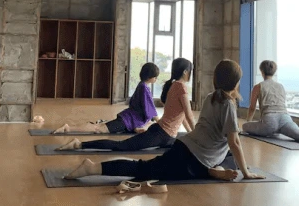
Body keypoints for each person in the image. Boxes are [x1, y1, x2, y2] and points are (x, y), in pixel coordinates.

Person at [64, 60, 264, 182]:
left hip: (186, 146)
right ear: (236, 83)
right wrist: (246, 173)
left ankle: (212, 170)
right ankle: (92, 167)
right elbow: (234, 141)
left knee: (229, 156)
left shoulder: (211, 97)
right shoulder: (227, 104)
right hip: (191, 156)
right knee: (144, 169)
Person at [57, 58, 196, 151]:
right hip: (146, 128)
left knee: (102, 129)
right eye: (190, 71)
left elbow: (182, 115)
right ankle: (77, 141)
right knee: (112, 139)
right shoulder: (178, 88)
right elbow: (187, 115)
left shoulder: (172, 86)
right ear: (185, 72)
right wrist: (197, 135)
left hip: (155, 131)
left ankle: (75, 138)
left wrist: (193, 134)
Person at [243, 60, 299, 148]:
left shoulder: (258, 87)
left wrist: (248, 121)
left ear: (261, 71)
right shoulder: (280, 86)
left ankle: (273, 130)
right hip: (285, 118)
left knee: (245, 127)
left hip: (269, 121)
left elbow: (252, 108)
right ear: (274, 72)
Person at [53, 63, 160, 134]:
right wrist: (161, 123)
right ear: (150, 77)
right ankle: (68, 128)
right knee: (98, 128)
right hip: (127, 120)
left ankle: (68, 127)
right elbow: (151, 111)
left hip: (129, 118)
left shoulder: (141, 85)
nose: (156, 79)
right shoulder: (144, 88)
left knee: (99, 126)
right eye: (155, 77)